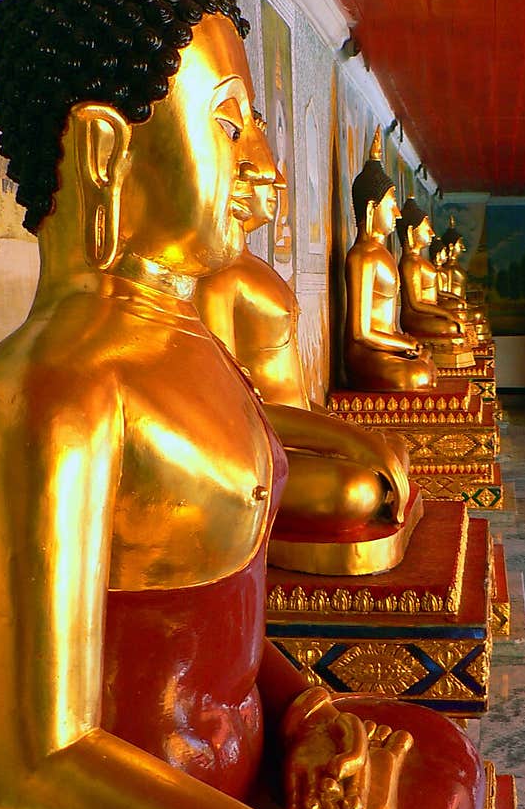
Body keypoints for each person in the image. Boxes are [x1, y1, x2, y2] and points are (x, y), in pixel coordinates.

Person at [0, 0, 501, 809]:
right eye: (230, 123)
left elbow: (226, 628)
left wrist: (310, 712)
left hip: (255, 775)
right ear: (105, 151)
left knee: (441, 764)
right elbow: (40, 765)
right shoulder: (42, 392)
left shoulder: (197, 345)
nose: (261, 161)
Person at [195, 128, 414, 561]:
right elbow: (235, 410)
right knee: (357, 491)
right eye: (260, 176)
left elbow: (293, 392)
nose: (278, 181)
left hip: (296, 424)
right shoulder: (219, 278)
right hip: (259, 447)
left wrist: (347, 433)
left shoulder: (257, 270)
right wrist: (350, 440)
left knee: (396, 447)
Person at [343, 136, 437, 391]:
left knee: (425, 364)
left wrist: (405, 342)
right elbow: (360, 333)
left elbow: (391, 324)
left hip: (384, 346)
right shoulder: (361, 256)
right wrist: (405, 346)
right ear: (372, 208)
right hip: (364, 353)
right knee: (415, 376)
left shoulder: (382, 254)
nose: (397, 213)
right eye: (392, 204)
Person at [396, 197, 468, 342]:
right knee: (451, 327)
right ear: (411, 232)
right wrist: (447, 314)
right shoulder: (410, 263)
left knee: (457, 318)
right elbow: (415, 303)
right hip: (416, 317)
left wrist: (447, 312)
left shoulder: (419, 261)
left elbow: (437, 294)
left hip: (429, 313)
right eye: (426, 227)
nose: (432, 233)